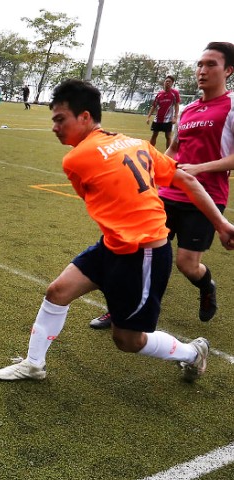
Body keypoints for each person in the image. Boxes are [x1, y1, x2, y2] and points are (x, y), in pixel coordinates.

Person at [0, 80, 234, 383]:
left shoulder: (76, 159)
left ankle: (191, 353)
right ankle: (33, 364)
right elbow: (186, 179)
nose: (54, 127)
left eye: (60, 119)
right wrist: (221, 223)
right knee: (57, 292)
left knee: (128, 341)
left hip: (144, 252)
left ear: (84, 117)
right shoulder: (136, 143)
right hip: (115, 245)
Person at [93, 43, 234, 330]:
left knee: (187, 265)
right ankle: (121, 307)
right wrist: (150, 174)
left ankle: (206, 287)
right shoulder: (190, 109)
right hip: (168, 193)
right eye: (200, 64)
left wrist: (199, 169)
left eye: (211, 65)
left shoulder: (231, 107)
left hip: (205, 197)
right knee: (135, 250)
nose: (202, 71)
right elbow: (172, 149)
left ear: (229, 71)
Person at [146, 75, 181, 149]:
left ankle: (167, 155)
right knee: (154, 135)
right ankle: (150, 151)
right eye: (166, 81)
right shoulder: (159, 94)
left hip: (168, 119)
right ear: (164, 82)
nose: (167, 83)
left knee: (168, 136)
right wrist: (148, 117)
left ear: (172, 83)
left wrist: (175, 117)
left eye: (169, 82)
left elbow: (176, 106)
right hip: (158, 118)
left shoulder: (175, 93)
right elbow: (154, 106)